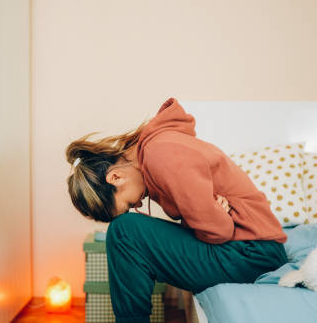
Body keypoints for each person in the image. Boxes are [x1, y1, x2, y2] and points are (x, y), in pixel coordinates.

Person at [66, 97, 287, 323]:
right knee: (126, 231)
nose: (138, 205)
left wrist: (215, 217)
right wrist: (210, 214)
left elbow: (220, 230)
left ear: (116, 177)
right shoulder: (156, 149)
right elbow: (211, 225)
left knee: (123, 231)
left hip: (253, 253)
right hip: (248, 248)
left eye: (129, 205)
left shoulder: (160, 155)